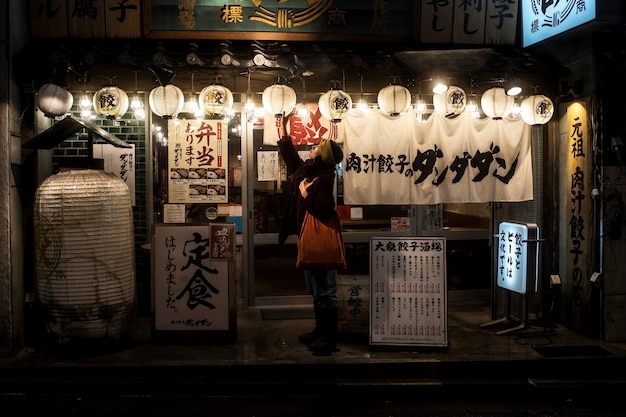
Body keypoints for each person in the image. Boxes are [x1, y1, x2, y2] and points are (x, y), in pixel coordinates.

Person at [277, 111, 344, 356]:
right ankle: (319, 331)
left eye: (318, 146)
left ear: (323, 155)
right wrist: (284, 129)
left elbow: (325, 209)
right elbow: (291, 157)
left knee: (326, 291)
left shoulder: (324, 177)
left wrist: (306, 195)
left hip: (320, 241)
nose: (314, 147)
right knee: (316, 290)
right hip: (308, 237)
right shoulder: (309, 171)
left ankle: (328, 339)